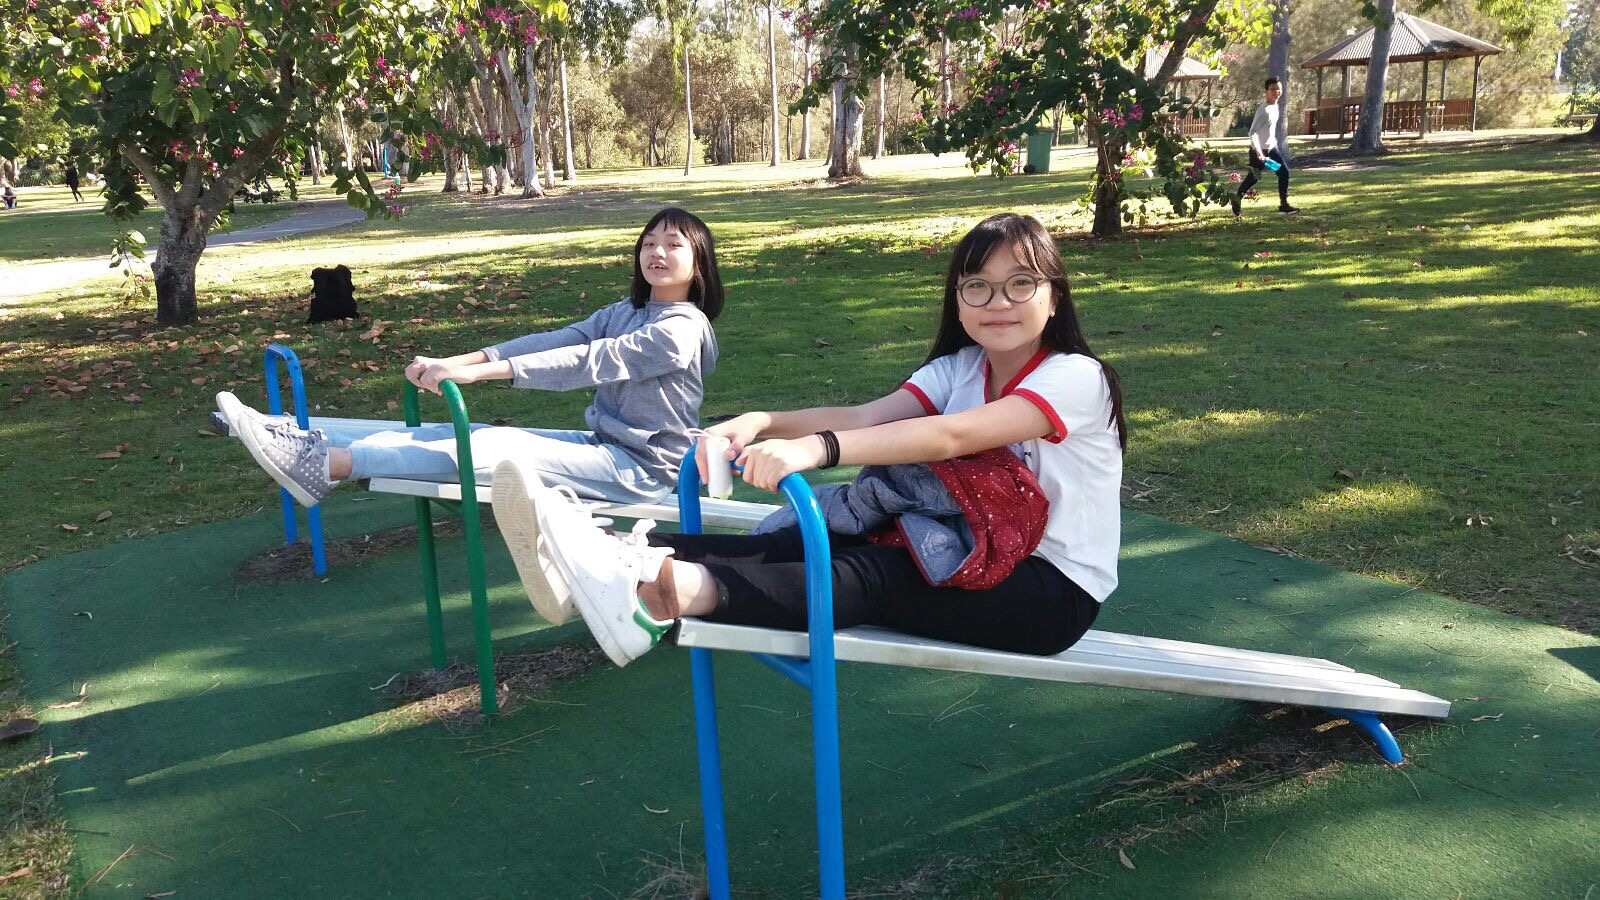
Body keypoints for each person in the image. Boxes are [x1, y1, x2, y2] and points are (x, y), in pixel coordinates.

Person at [497, 212, 1125, 665]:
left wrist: (816, 450)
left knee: (874, 573)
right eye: (977, 286)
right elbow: (866, 416)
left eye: (1021, 283)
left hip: (1049, 588)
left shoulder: (1076, 377)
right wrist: (763, 422)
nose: (998, 302)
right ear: (958, 301)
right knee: (795, 539)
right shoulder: (960, 368)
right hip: (956, 546)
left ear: (1054, 297)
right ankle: (607, 556)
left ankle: (663, 595)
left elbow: (950, 436)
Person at [218, 205, 723, 511]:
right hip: (606, 447)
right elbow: (559, 340)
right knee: (464, 432)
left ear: (698, 264)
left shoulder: (681, 329)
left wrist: (478, 374)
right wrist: (458, 359)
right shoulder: (626, 311)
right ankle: (301, 436)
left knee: (493, 449)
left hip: (644, 472)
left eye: (673, 244)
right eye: (649, 242)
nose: (657, 252)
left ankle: (328, 466)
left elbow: (590, 360)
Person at [1233, 77, 1299, 216]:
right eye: (1272, 89)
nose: (1276, 92)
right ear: (1266, 91)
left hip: (1271, 149)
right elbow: (1253, 132)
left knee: (1283, 172)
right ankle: (1237, 198)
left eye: (1278, 89)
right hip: (1259, 151)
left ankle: (1284, 205)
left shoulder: (1275, 106)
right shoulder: (1264, 110)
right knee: (1254, 178)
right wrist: (1258, 152)